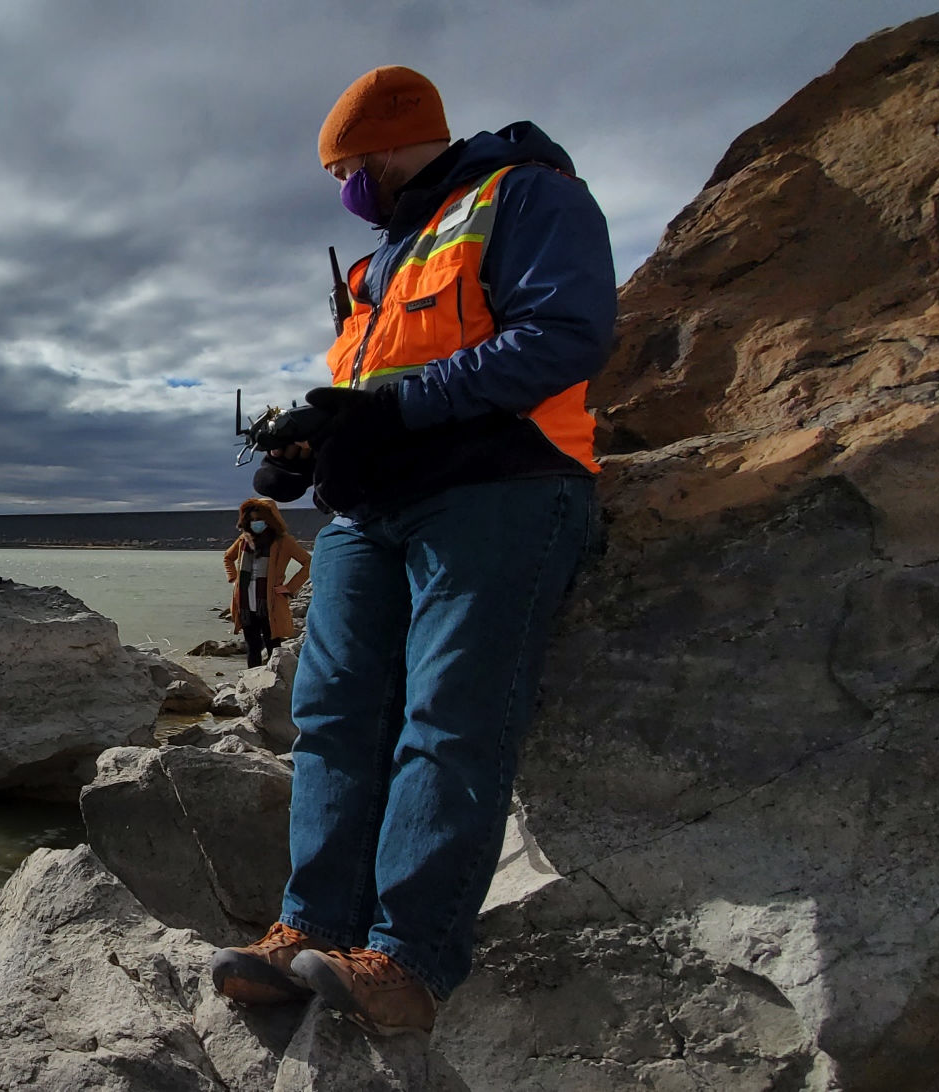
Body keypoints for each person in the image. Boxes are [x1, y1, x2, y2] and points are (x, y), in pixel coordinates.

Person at [211, 66, 611, 1035]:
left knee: (451, 718)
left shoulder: (527, 195)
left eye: (347, 168)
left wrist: (393, 407)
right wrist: (312, 451)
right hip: (370, 515)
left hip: (500, 486)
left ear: (384, 149)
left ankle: (406, 960)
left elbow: (565, 334)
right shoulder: (379, 265)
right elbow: (374, 396)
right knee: (334, 715)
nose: (346, 189)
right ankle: (310, 930)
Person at [222, 499, 310, 668]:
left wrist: (289, 587)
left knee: (273, 645)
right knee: (252, 646)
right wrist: (234, 579)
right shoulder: (244, 540)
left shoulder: (283, 541)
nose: (256, 523)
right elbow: (228, 557)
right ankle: (251, 682)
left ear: (270, 520)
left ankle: (274, 681)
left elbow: (308, 562)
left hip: (271, 602)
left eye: (259, 519)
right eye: (252, 519)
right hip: (246, 601)